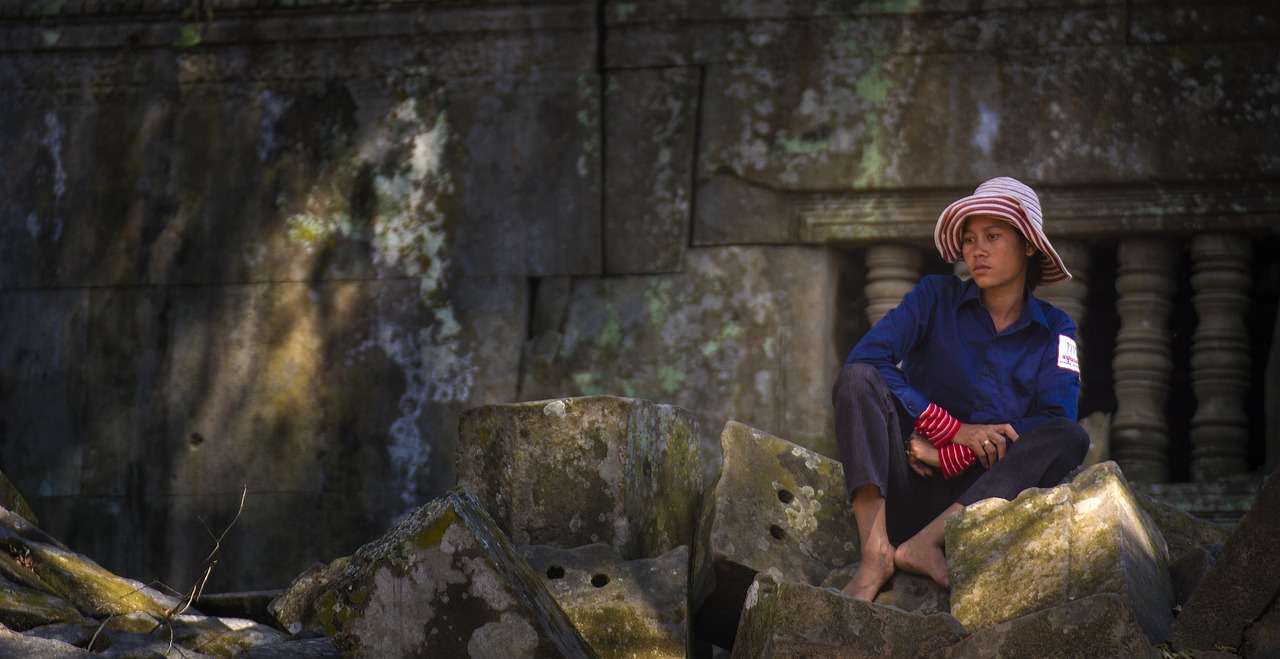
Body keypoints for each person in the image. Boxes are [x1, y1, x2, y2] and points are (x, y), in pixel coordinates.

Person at [832, 176, 1090, 600]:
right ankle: (875, 553)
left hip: (982, 494)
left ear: (1028, 246)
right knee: (857, 379)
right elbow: (867, 358)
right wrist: (949, 428)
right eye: (969, 239)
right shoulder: (935, 296)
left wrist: (953, 451)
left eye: (993, 236)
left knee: (1068, 436)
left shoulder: (1056, 329)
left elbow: (1055, 419)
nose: (978, 251)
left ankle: (928, 542)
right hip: (908, 477)